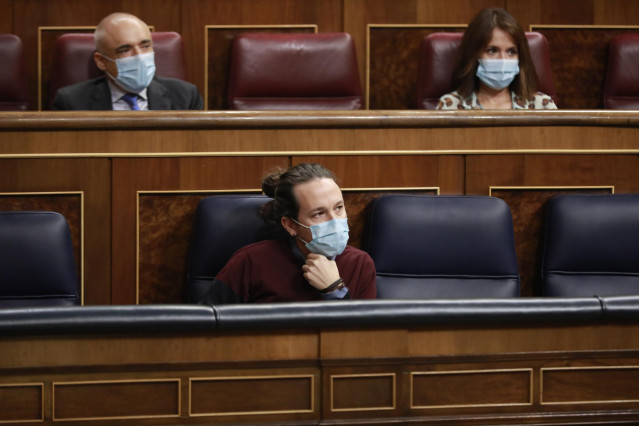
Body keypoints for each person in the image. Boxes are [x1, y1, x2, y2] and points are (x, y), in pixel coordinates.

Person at [199, 163, 377, 304]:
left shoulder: (360, 263)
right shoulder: (250, 261)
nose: (334, 220)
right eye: (319, 213)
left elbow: (364, 340)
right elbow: (206, 327)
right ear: (290, 225)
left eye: (338, 208)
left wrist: (334, 289)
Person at [52, 12, 203, 111]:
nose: (139, 57)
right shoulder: (70, 103)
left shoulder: (186, 97)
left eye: (145, 46)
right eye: (125, 50)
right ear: (101, 61)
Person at [436, 8, 557, 110]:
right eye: (492, 50)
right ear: (474, 55)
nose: (503, 60)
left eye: (511, 52)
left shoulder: (541, 105)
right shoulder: (451, 106)